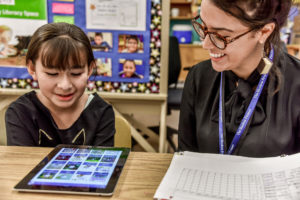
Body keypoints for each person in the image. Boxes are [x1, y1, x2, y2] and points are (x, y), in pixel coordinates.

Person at [178, 0, 300, 157]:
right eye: (204, 26)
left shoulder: (296, 82)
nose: (205, 44)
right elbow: (185, 156)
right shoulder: (198, 77)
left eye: (222, 35)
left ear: (264, 32)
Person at [5, 22, 115, 147]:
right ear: (32, 68)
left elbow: (102, 165)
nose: (65, 85)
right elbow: (23, 165)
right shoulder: (21, 112)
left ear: (90, 69)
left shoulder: (101, 111)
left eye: (76, 73)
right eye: (52, 74)